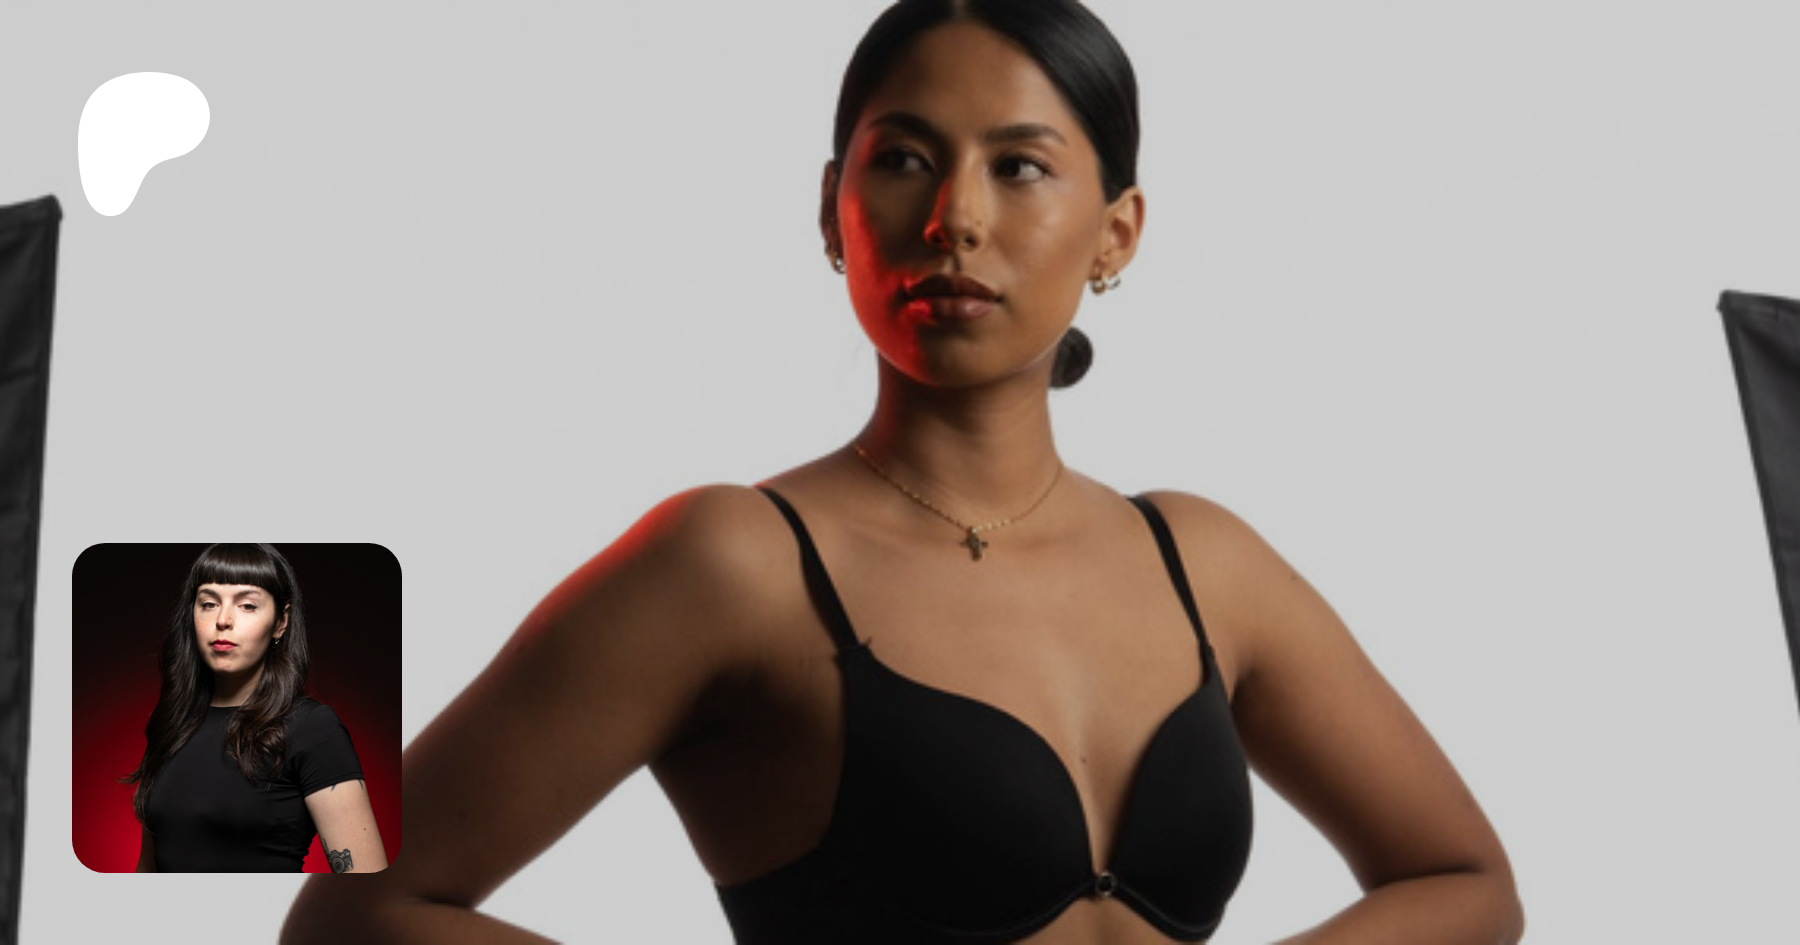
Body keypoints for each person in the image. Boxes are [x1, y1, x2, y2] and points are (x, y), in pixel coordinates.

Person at [285, 0, 1521, 940]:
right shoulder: (734, 565)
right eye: (905, 159)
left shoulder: (1200, 562)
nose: (955, 220)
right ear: (835, 209)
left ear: (1116, 233)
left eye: (1020, 165)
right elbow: (355, 912)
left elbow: (1466, 885)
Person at [122, 543, 388, 873]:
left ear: (280, 623)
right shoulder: (173, 723)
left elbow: (366, 886)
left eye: (247, 605)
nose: (223, 620)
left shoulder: (313, 729)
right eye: (208, 603)